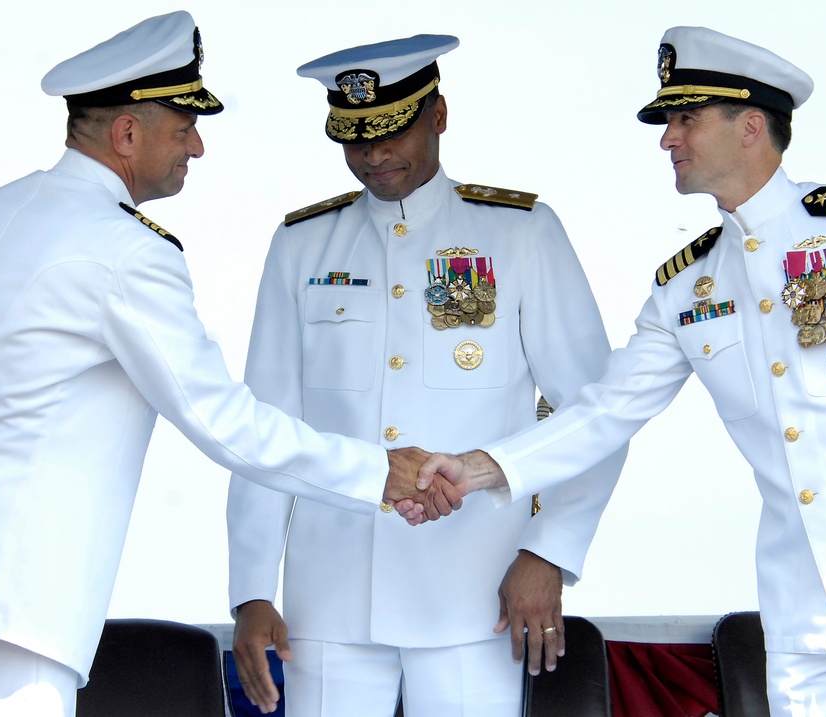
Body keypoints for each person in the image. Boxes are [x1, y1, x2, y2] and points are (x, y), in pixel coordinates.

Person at [418, 26, 826, 717]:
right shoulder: (687, 287)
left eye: (686, 118)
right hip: (803, 603)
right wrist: (477, 468)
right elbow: (605, 410)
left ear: (749, 127)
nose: (667, 139)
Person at [0, 13, 457, 717]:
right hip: (14, 616)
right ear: (128, 134)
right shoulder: (125, 251)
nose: (196, 148)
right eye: (183, 128)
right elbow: (222, 421)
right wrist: (377, 471)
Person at [225, 34, 626, 717]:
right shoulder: (300, 246)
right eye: (353, 139)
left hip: (475, 593)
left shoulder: (521, 234)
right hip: (331, 598)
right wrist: (252, 589)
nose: (372, 156)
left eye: (390, 132)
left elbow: (595, 413)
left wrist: (549, 551)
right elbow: (265, 428)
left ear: (438, 115)